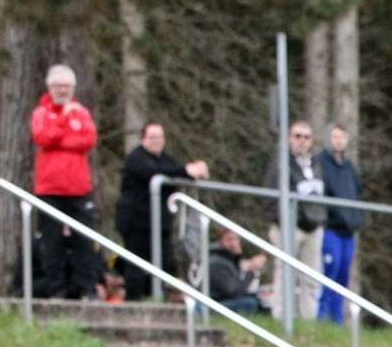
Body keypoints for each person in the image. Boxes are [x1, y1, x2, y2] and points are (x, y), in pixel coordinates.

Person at [29, 65, 102, 301]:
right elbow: (43, 138)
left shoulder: (82, 112)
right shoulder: (42, 112)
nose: (63, 90)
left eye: (67, 85)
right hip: (50, 188)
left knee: (84, 239)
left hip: (79, 188)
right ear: (50, 88)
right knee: (52, 241)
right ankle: (56, 290)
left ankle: (87, 290)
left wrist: (61, 138)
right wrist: (63, 120)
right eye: (58, 85)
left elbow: (88, 140)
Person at [116, 122, 209, 301]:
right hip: (136, 223)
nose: (156, 141)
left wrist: (196, 171)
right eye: (152, 137)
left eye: (159, 137)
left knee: (167, 265)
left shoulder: (166, 159)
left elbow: (175, 171)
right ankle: (133, 302)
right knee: (135, 264)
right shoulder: (136, 158)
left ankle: (165, 302)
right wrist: (186, 170)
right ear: (143, 138)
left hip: (160, 224)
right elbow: (154, 172)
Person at [261, 120, 326, 319]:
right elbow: (270, 195)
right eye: (297, 136)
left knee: (312, 277)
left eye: (306, 137)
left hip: (313, 226)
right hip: (289, 226)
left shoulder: (315, 164)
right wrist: (282, 222)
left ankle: (309, 319)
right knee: (285, 274)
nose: (302, 141)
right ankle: (281, 318)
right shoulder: (281, 163)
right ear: (290, 138)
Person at [314, 124, 365, 325]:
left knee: (343, 274)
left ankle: (337, 319)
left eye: (342, 137)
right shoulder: (320, 163)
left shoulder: (349, 167)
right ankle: (320, 317)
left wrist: (356, 218)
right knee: (330, 270)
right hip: (331, 228)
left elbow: (356, 193)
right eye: (335, 137)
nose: (338, 141)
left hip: (348, 230)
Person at [206, 226, 271, 315]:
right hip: (216, 305)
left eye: (236, 239)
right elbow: (234, 292)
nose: (234, 243)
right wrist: (251, 272)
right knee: (250, 303)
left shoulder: (228, 260)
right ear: (220, 242)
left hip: (225, 300)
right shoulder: (217, 263)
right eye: (229, 239)